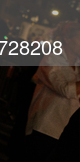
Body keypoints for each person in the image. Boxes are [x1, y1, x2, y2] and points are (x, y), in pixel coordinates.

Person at [24, 21, 80, 162]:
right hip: (46, 125)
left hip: (68, 130)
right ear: (67, 39)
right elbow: (65, 89)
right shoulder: (51, 58)